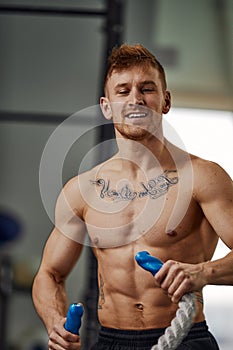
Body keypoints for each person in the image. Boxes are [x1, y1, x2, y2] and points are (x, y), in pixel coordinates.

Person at [32, 43, 233, 350]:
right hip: (111, 341)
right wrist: (55, 324)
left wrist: (203, 273)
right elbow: (49, 273)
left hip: (186, 338)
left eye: (147, 89)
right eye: (123, 90)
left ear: (165, 101)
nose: (135, 99)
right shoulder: (83, 190)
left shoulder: (203, 177)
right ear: (106, 106)